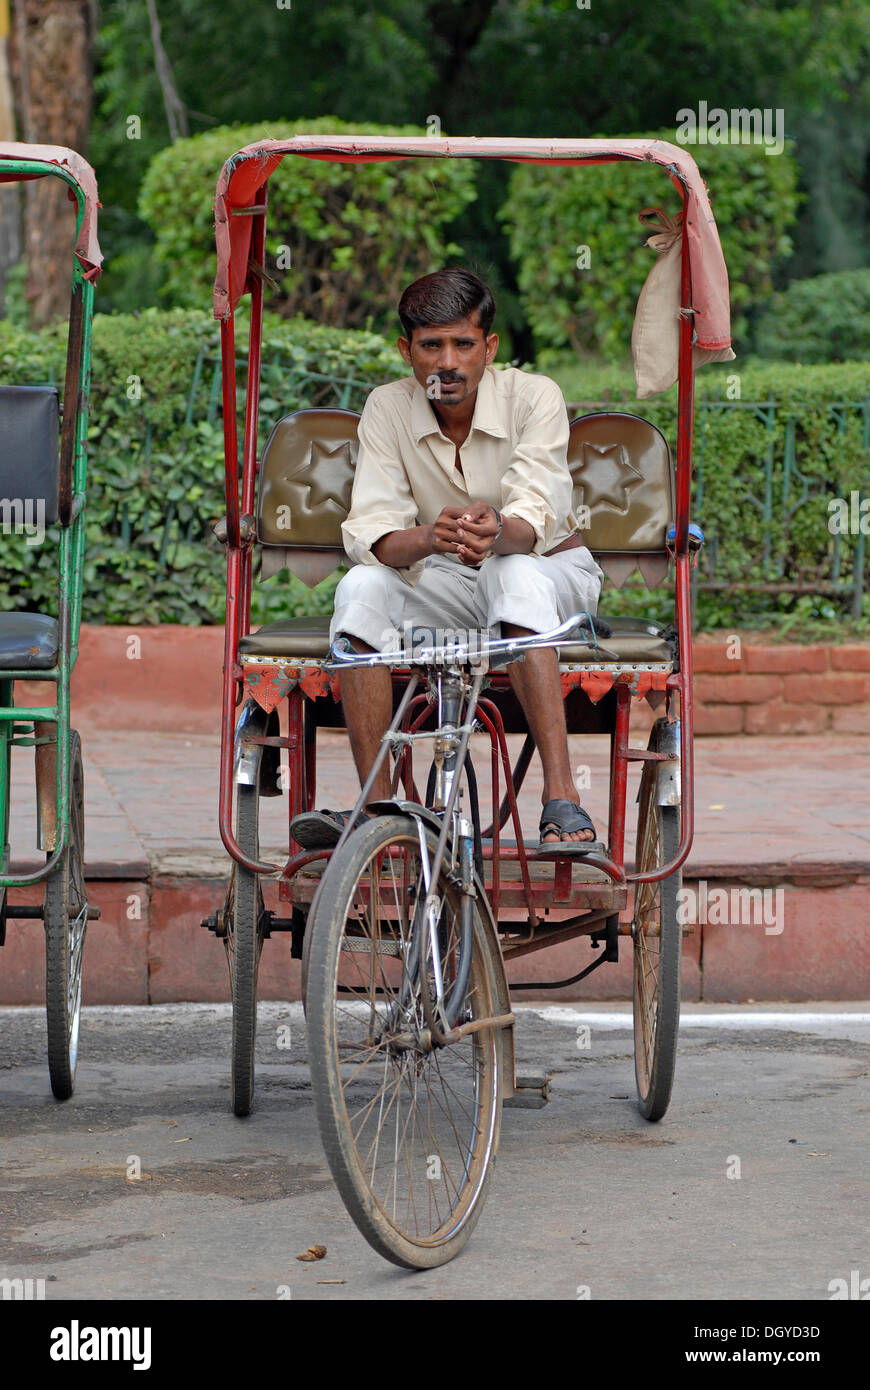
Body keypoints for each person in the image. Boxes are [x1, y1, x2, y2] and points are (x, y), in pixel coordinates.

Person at [291, 266, 604, 852]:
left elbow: (534, 515)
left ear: (489, 347)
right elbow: (374, 530)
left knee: (513, 571)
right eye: (431, 346)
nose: (447, 363)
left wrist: (497, 531)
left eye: (463, 344)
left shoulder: (535, 396)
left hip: (549, 576)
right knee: (361, 587)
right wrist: (432, 538)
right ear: (406, 350)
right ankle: (375, 811)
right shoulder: (387, 406)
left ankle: (561, 797)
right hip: (445, 579)